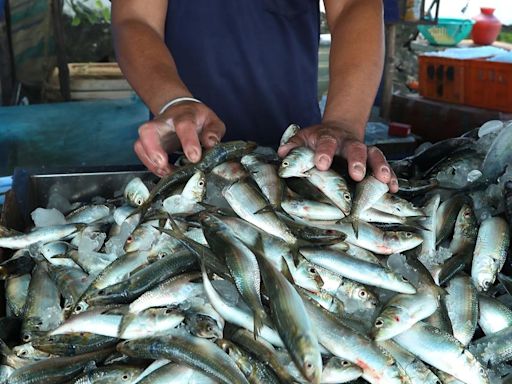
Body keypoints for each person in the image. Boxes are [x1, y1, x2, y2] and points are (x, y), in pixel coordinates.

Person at [111, 0, 398, 192]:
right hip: (182, 157)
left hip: (302, 156)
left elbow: (353, 5)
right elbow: (136, 18)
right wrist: (173, 101)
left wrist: (344, 122)